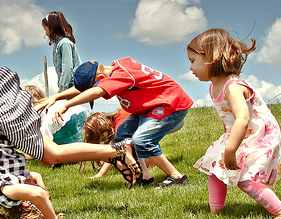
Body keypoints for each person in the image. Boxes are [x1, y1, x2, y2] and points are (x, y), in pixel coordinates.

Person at [0, 69, 140, 219]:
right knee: (52, 154)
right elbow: (38, 183)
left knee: (53, 156)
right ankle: (117, 151)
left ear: (23, 204)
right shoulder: (10, 181)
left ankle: (118, 151)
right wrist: (42, 194)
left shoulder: (6, 192)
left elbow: (38, 195)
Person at [187, 28, 281, 219]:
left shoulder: (233, 86)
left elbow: (243, 118)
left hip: (259, 133)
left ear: (212, 56)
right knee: (215, 169)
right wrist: (227, 142)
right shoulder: (214, 86)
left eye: (193, 61)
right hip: (239, 132)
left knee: (244, 177)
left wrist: (230, 149)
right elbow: (232, 120)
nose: (190, 68)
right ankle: (215, 213)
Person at [38, 58, 193, 188]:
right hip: (149, 108)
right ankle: (144, 177)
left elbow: (97, 91)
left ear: (100, 79)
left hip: (169, 105)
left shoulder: (120, 75)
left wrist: (67, 105)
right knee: (120, 139)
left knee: (141, 140)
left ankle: (176, 176)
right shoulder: (118, 67)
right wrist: (55, 98)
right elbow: (84, 89)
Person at [42, 11, 82, 92]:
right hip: (67, 85)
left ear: (52, 28)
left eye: (46, 29)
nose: (46, 33)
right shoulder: (57, 45)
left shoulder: (64, 43)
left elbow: (67, 68)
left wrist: (62, 89)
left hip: (71, 85)